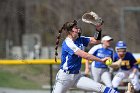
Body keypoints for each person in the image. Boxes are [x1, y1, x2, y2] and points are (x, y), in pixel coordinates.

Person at [53, 20, 119, 93]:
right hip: (64, 78)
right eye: (75, 28)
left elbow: (96, 40)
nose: (78, 29)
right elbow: (85, 55)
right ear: (70, 31)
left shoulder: (80, 39)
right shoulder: (68, 43)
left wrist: (98, 29)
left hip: (77, 76)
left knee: (100, 87)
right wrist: (101, 60)